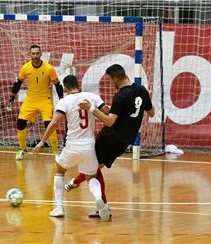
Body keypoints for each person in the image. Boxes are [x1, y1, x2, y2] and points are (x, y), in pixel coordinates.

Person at [65, 64, 155, 218]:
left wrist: (91, 109)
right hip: (125, 141)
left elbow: (109, 122)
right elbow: (151, 113)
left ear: (115, 78)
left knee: (92, 169)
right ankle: (74, 182)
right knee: (95, 167)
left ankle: (103, 206)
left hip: (109, 137)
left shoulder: (120, 95)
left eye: (109, 80)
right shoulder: (141, 90)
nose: (110, 84)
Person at [33, 75, 111, 221]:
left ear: (65, 88)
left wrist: (42, 141)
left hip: (72, 146)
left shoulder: (64, 101)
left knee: (60, 170)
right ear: (78, 84)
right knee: (91, 177)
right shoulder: (91, 97)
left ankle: (59, 207)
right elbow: (108, 112)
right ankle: (99, 199)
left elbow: (54, 123)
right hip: (89, 147)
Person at [9, 45, 64, 160]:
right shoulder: (25, 68)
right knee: (20, 123)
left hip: (45, 100)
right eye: (33, 54)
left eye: (37, 53)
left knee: (49, 125)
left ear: (41, 53)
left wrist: (62, 99)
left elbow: (58, 85)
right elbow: (18, 83)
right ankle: (22, 149)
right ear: (30, 54)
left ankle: (55, 153)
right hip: (30, 100)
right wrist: (11, 98)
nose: (35, 56)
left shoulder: (49, 68)